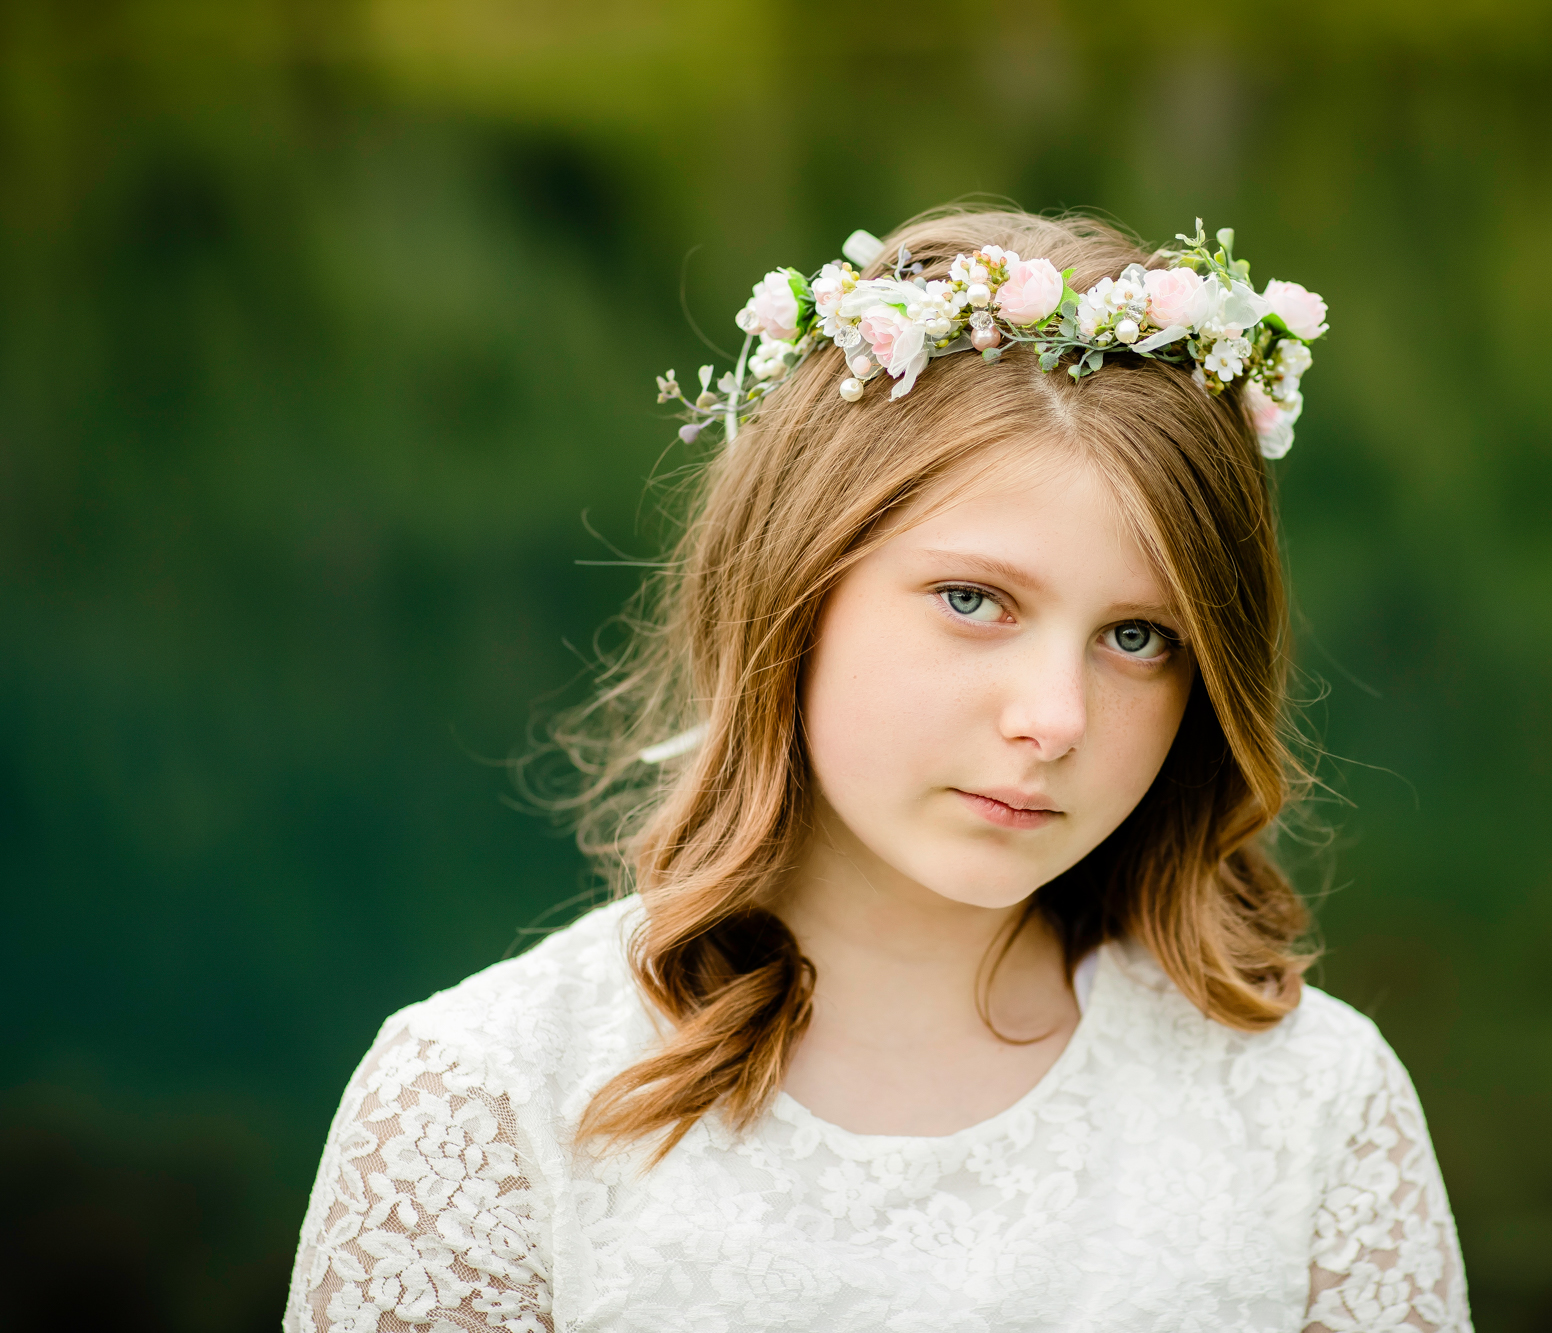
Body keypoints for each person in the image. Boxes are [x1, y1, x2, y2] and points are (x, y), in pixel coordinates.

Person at [284, 209, 1472, 1332]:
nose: (1054, 718)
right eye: (974, 600)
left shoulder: (1312, 1106)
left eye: (1137, 638)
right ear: (793, 591)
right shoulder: (484, 1103)